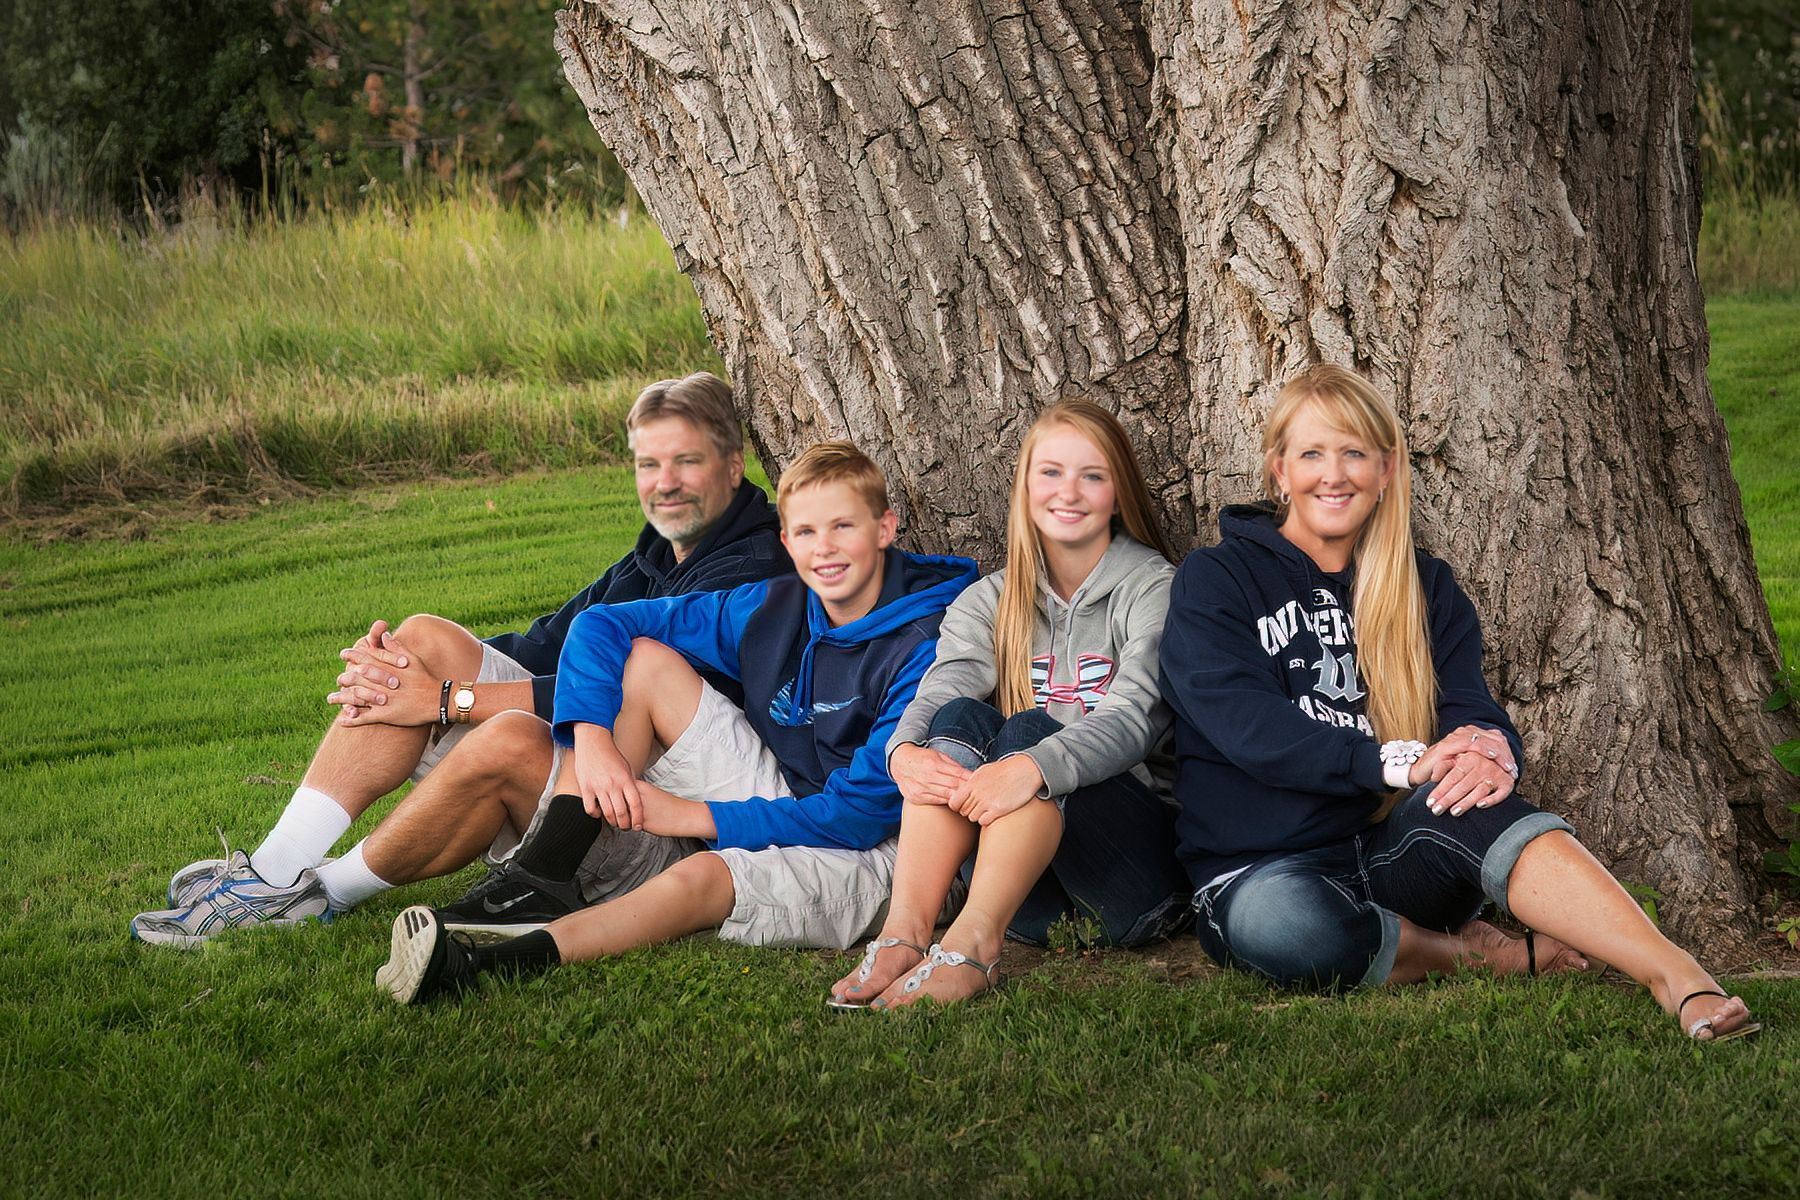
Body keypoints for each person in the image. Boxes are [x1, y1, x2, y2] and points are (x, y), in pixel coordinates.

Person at [1157, 363, 1759, 1041]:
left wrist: (1488, 748)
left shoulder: (1423, 585)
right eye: (1313, 454)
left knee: (1475, 796)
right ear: (1279, 471)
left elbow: (1466, 700)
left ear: (1386, 471)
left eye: (1355, 453)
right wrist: (1397, 764)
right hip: (1259, 868)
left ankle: (1676, 974)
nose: (1335, 474)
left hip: (1389, 849)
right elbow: (1244, 724)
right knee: (1287, 927)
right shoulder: (1216, 579)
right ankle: (1469, 954)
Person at [131, 372, 791, 946]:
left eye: (686, 462)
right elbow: (542, 647)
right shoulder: (658, 551)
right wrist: (407, 673)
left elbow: (630, 694)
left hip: (653, 823)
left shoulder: (751, 571)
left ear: (733, 465)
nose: (665, 485)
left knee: (506, 734)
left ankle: (319, 894)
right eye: (650, 465)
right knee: (424, 639)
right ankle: (273, 872)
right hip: (597, 773)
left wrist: (448, 702)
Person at [373, 441, 979, 1004]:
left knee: (700, 878)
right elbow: (603, 625)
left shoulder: (926, 642)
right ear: (787, 543)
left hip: (879, 844)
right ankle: (541, 879)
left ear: (885, 528)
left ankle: (491, 963)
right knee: (644, 661)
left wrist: (693, 816)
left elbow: (857, 815)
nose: (825, 549)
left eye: (843, 526)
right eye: (806, 532)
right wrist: (593, 738)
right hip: (782, 787)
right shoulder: (776, 602)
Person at [825, 400, 1189, 1010]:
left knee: (1028, 732)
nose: (1067, 492)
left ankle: (972, 947)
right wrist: (903, 753)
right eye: (1049, 472)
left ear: (1119, 492)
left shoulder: (1154, 588)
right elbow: (942, 687)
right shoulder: (992, 597)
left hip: (1133, 879)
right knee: (958, 720)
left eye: (1092, 475)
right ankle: (904, 935)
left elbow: (1132, 720)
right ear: (1023, 487)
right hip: (1028, 897)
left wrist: (1032, 766)